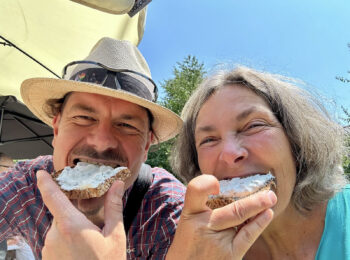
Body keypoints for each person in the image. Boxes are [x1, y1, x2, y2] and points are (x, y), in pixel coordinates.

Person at [0, 37, 186, 259]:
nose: (102, 141)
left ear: (146, 145)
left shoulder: (167, 210)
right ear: (57, 128)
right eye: (83, 117)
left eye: (126, 125)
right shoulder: (25, 186)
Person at [170, 66, 350, 259]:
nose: (230, 153)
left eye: (254, 126)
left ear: (297, 143)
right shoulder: (201, 247)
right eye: (209, 140)